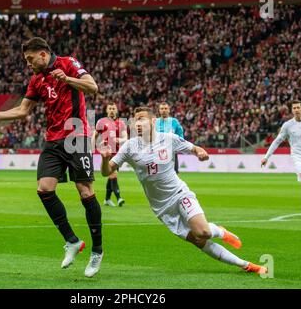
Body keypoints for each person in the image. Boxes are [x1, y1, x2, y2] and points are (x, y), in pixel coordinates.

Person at [0, 37, 103, 278]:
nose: (29, 64)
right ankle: (72, 241)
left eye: (31, 59)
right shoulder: (36, 79)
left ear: (43, 54)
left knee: (85, 191)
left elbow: (92, 86)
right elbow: (23, 110)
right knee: (44, 189)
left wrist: (68, 79)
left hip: (77, 135)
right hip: (53, 139)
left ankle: (97, 251)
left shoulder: (68, 63)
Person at [100, 107, 267, 274]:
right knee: (198, 240)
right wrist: (105, 159)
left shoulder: (169, 139)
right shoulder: (130, 146)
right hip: (162, 209)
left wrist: (200, 151)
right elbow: (106, 172)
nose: (137, 123)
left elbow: (193, 148)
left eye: (141, 119)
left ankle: (224, 236)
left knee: (204, 232)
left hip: (179, 194)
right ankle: (245, 265)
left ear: (152, 121)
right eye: (135, 119)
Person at [92, 103, 127, 207]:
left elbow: (126, 137)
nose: (112, 110)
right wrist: (92, 147)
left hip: (117, 154)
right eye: (110, 108)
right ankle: (119, 197)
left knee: (111, 176)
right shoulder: (101, 122)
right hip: (107, 153)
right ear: (107, 110)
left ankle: (107, 199)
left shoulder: (121, 123)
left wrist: (119, 139)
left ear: (116, 110)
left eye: (113, 108)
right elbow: (95, 135)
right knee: (113, 174)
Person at [156, 102, 184, 173]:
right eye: (162, 109)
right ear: (159, 110)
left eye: (165, 108)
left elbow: (180, 135)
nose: (164, 110)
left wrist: (179, 145)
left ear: (169, 110)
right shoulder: (155, 122)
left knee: (174, 176)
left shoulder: (174, 121)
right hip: (158, 153)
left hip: (172, 153)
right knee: (158, 176)